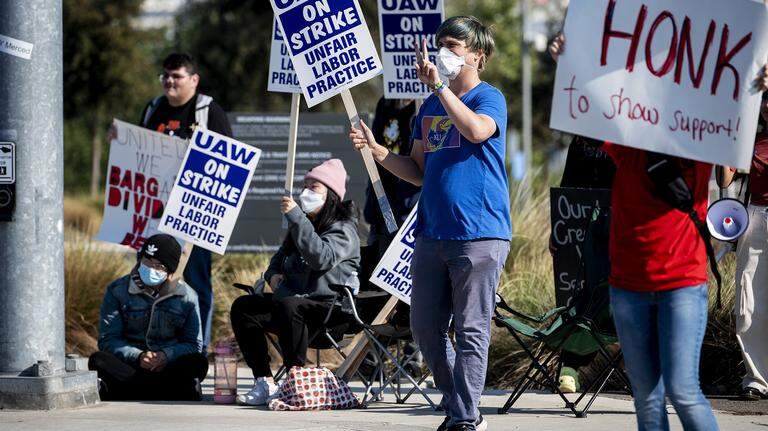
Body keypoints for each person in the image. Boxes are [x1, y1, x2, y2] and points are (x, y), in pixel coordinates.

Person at [551, 34, 768, 430]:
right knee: (647, 401)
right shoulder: (625, 145)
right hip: (628, 285)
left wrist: (760, 86)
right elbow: (589, 109)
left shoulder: (699, 148)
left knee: (683, 393)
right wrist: (573, 60)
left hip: (680, 284)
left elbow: (734, 114)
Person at [350, 16, 510, 431]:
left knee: (472, 330)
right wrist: (379, 151)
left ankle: (462, 419)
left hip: (479, 233)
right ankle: (464, 407)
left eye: (454, 46)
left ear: (478, 55)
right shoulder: (430, 107)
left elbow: (476, 132)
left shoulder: (489, 98)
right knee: (424, 328)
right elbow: (419, 169)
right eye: (441, 44)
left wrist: (440, 86)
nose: (444, 52)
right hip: (431, 232)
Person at [229, 159, 361, 406]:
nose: (306, 193)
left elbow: (321, 258)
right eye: (305, 186)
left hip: (328, 310)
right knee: (245, 306)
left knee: (290, 306)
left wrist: (297, 219)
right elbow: (276, 261)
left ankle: (294, 379)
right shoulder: (302, 225)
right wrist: (272, 276)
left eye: (314, 187)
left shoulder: (343, 230)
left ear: (331, 195)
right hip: (292, 306)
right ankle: (264, 381)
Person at [138, 53, 233, 351]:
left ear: (194, 80)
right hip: (155, 214)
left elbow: (228, 164)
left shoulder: (208, 111)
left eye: (176, 76)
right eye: (165, 75)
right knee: (148, 280)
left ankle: (196, 350)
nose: (169, 81)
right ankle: (152, 348)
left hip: (195, 216)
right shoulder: (153, 109)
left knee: (195, 283)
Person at [88, 234, 208, 401]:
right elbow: (108, 339)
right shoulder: (116, 290)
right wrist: (138, 356)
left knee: (198, 362)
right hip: (131, 365)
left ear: (169, 272)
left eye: (159, 266)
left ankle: (125, 391)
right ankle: (175, 390)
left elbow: (193, 344)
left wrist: (165, 356)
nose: (151, 269)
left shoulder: (188, 296)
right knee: (98, 360)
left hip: (168, 366)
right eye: (146, 261)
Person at [717, 92, 768, 401]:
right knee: (748, 302)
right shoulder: (750, 141)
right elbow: (724, 180)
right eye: (764, 99)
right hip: (756, 217)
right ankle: (757, 378)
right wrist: (724, 147)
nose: (766, 105)